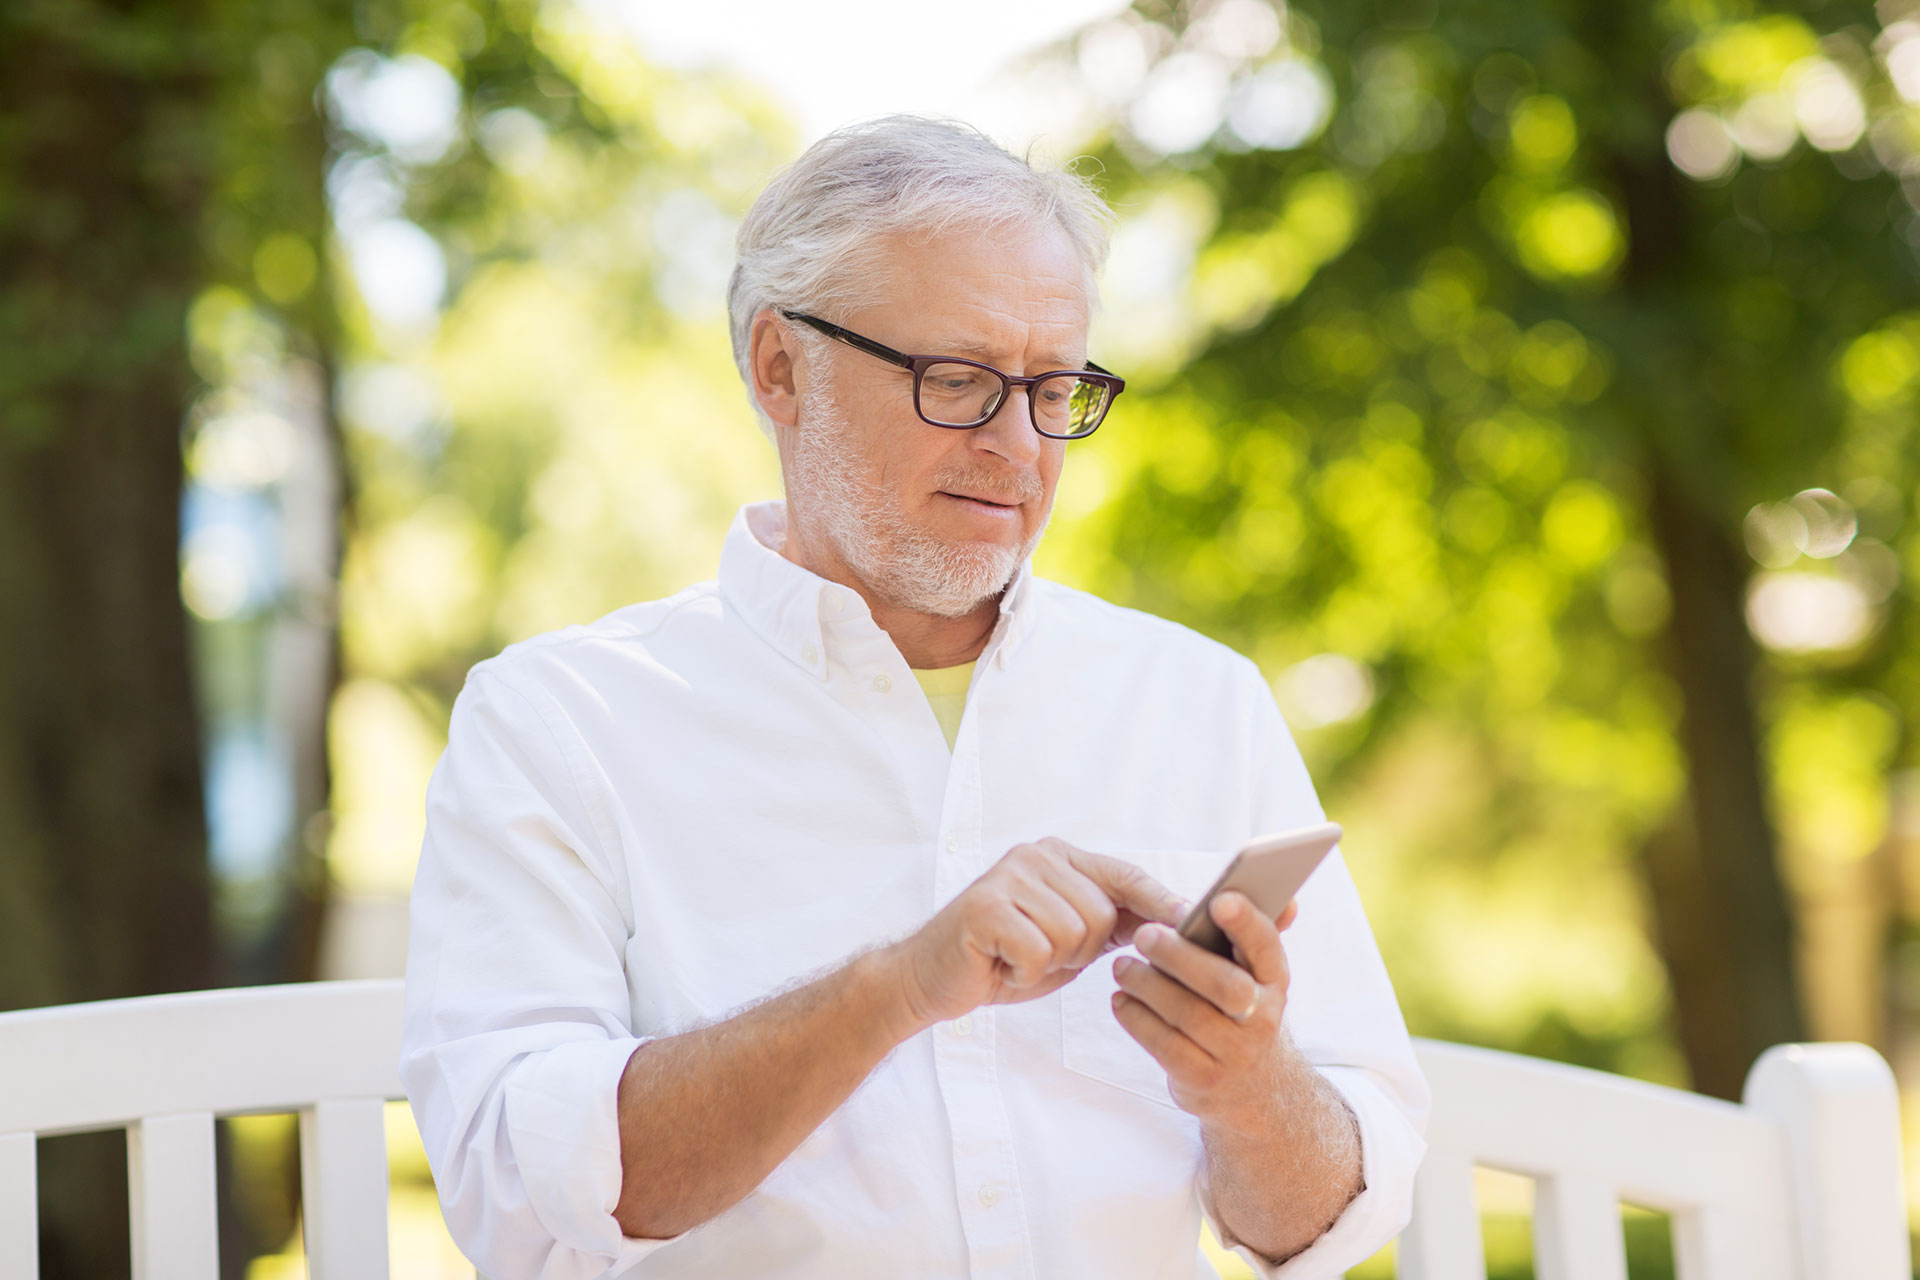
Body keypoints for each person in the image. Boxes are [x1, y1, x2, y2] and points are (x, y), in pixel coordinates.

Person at [401, 114, 1428, 1279]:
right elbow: (518, 1195)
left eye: (1055, 388)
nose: (1019, 443)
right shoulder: (557, 721)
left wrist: (1249, 1088)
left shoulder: (1198, 702)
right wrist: (901, 985)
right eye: (959, 380)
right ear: (781, 366)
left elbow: (1332, 1212)